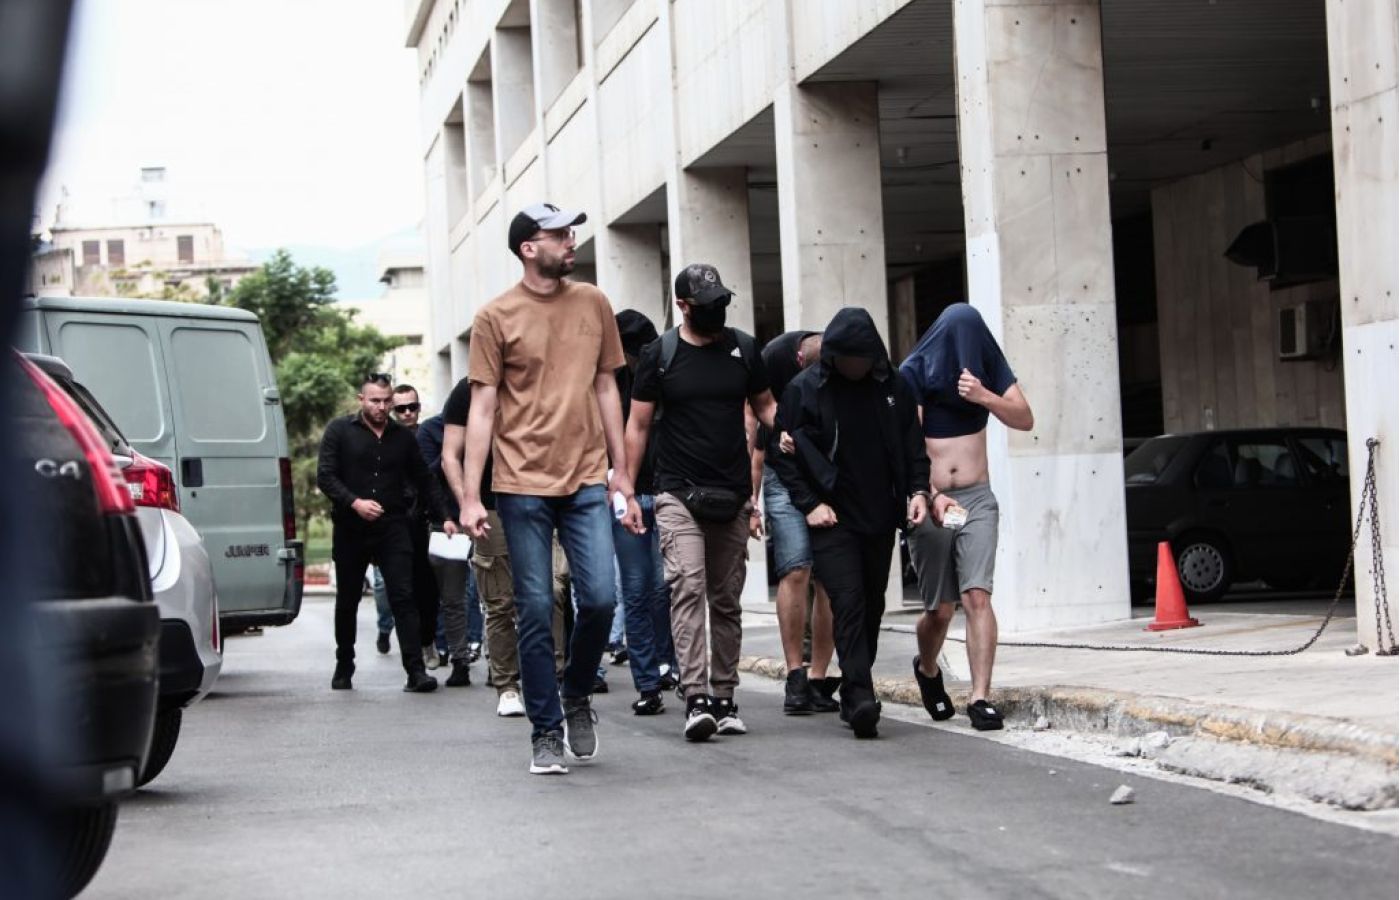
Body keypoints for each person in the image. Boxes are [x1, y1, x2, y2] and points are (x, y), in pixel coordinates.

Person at [457, 202, 641, 776]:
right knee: (535, 608)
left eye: (570, 232)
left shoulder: (593, 302)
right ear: (528, 248)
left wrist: (622, 472)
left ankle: (576, 692)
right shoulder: (495, 316)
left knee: (601, 599)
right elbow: (482, 408)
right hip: (520, 483)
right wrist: (470, 496)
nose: (570, 241)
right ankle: (545, 729)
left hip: (585, 477)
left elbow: (607, 387)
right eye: (558, 234)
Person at [624, 264, 777, 742]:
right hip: (676, 491)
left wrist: (794, 433)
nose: (718, 311)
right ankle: (696, 697)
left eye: (722, 303)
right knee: (687, 587)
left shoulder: (744, 349)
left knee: (726, 599)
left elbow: (766, 406)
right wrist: (626, 490)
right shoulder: (660, 354)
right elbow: (638, 425)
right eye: (708, 305)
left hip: (732, 492)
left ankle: (725, 696)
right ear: (683, 306)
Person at [770, 308, 929, 739]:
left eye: (863, 359)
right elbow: (781, 454)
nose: (855, 367)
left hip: (880, 514)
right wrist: (809, 505)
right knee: (848, 600)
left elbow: (913, 447)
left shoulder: (894, 386)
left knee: (872, 603)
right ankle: (859, 696)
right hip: (832, 517)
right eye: (847, 359)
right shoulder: (805, 389)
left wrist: (918, 491)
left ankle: (855, 681)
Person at [900, 304, 1033, 731]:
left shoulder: (987, 367)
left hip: (977, 499)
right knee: (940, 610)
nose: (965, 352)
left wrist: (984, 396)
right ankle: (927, 668)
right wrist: (931, 494)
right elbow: (909, 448)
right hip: (932, 501)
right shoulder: (915, 371)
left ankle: (980, 697)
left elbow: (1024, 418)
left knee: (977, 595)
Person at [441, 358, 572, 717]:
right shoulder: (467, 390)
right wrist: (467, 502)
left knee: (553, 591)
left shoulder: (540, 378)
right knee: (500, 600)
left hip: (542, 498)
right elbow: (450, 455)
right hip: (491, 506)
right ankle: (508, 686)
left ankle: (553, 678)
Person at [316, 373, 457, 692]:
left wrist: (446, 517)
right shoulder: (340, 431)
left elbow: (425, 479)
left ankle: (415, 672)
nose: (381, 407)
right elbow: (325, 476)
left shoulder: (402, 437)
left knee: (404, 597)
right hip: (351, 527)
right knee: (348, 599)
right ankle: (344, 664)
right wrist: (355, 503)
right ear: (361, 400)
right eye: (374, 401)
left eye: (386, 401)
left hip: (393, 526)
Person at [753, 329, 839, 714]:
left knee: (829, 578)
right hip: (781, 472)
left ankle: (818, 676)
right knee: (796, 567)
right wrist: (750, 499)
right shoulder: (774, 357)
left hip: (825, 473)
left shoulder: (839, 359)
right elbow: (755, 415)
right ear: (800, 361)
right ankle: (794, 673)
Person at [612, 309, 677, 715]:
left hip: (669, 490)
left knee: (666, 588)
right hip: (628, 493)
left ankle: (669, 665)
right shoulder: (609, 382)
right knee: (636, 591)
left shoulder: (669, 374)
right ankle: (648, 682)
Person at [416, 404, 475, 687]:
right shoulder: (431, 430)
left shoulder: (489, 423)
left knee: (497, 597)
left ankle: (501, 664)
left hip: (490, 515)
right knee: (453, 598)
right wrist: (451, 453)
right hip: (449, 523)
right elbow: (425, 477)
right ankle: (460, 659)